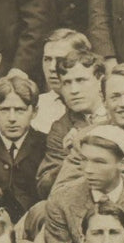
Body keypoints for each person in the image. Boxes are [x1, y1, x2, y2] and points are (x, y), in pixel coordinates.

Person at [0, 74, 46, 219]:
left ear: (34, 112)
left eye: (20, 110)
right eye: (4, 110)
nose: (12, 118)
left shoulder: (45, 146)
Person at [35, 48, 109, 196]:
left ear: (100, 80)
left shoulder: (120, 111)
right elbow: (44, 186)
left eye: (81, 80)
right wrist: (73, 156)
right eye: (67, 83)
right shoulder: (61, 128)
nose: (73, 90)